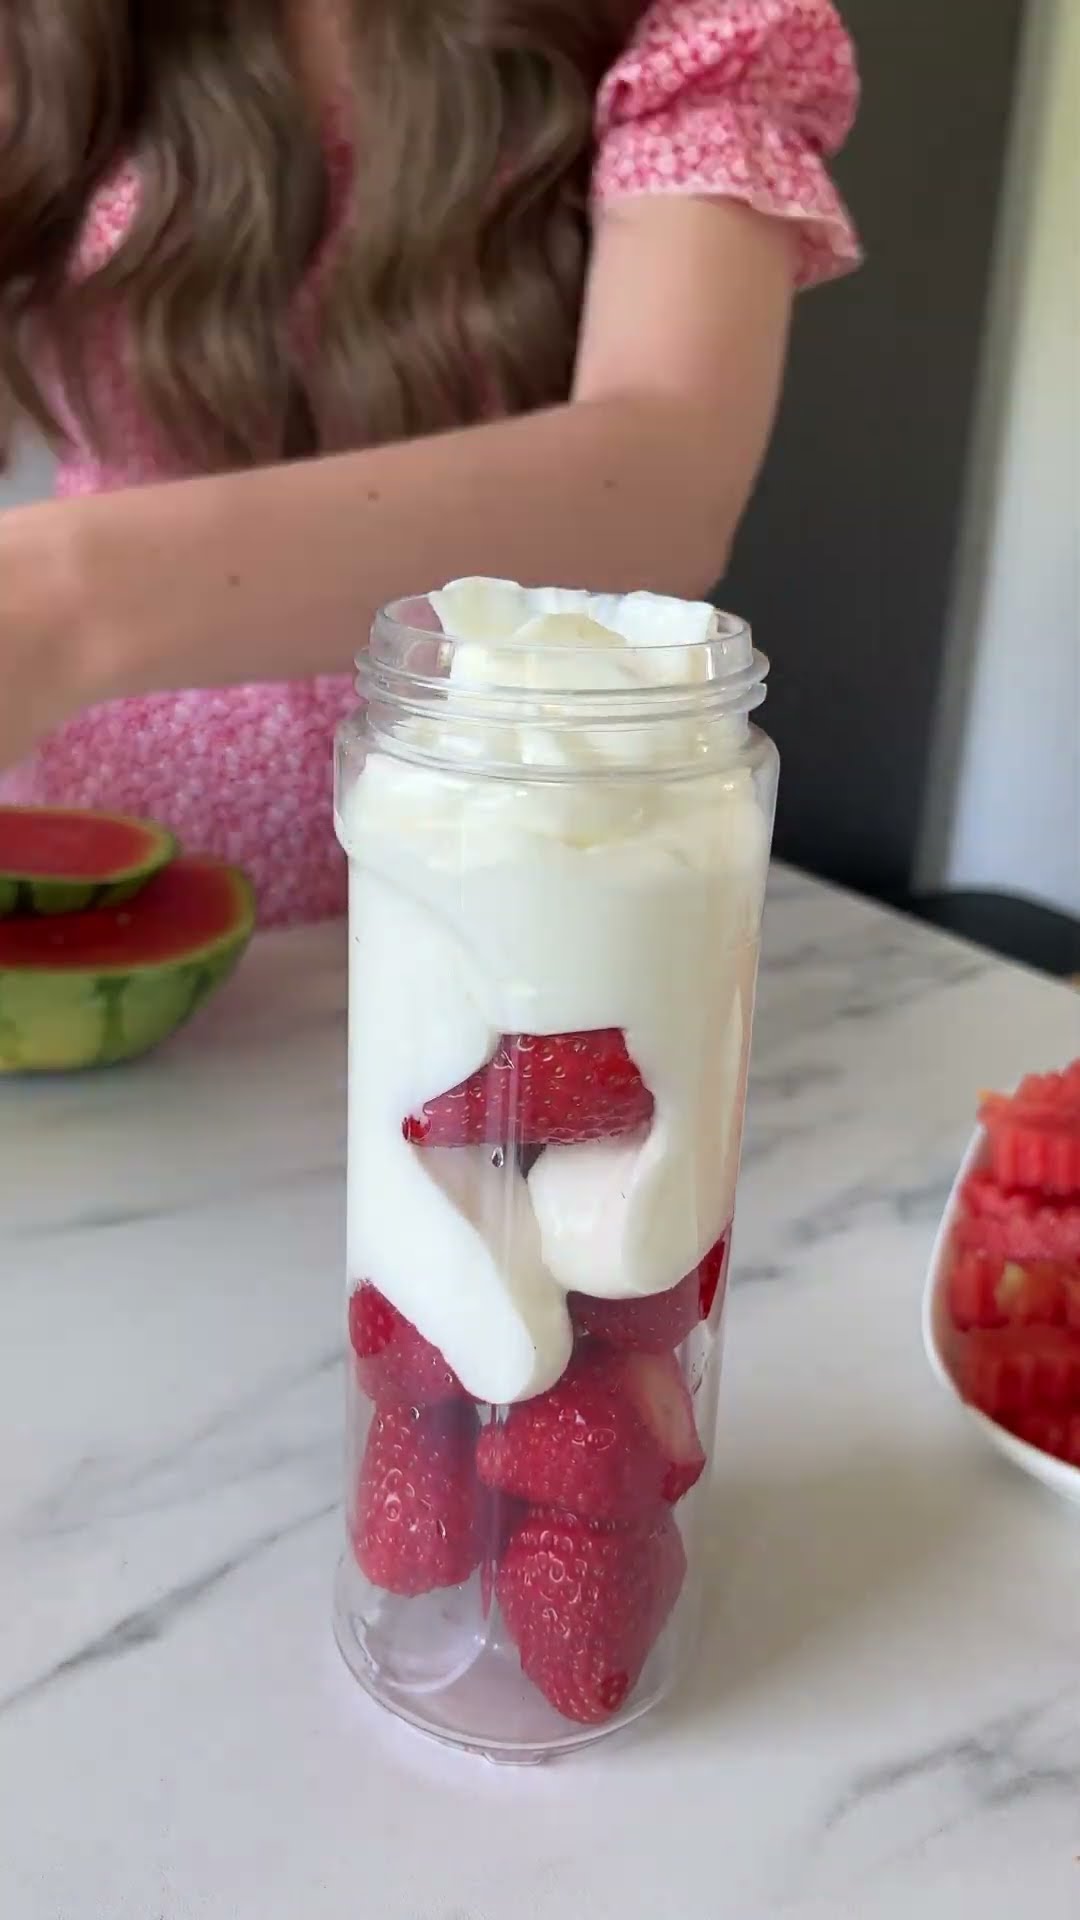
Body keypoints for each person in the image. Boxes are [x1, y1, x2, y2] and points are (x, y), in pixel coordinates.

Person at [0, 0, 859, 926]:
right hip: (79, 882)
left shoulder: (689, 30)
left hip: (512, 888)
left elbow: (664, 484)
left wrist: (57, 602)